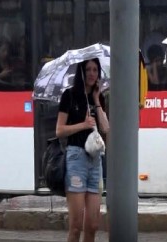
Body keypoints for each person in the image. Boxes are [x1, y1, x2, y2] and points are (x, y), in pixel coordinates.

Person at [55, 58, 110, 242]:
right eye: (88, 69)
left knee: (93, 225)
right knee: (76, 225)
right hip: (76, 157)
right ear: (81, 72)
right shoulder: (69, 96)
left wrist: (96, 100)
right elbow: (60, 130)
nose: (92, 73)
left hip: (95, 161)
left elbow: (106, 128)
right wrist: (83, 124)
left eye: (96, 70)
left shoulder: (98, 97)